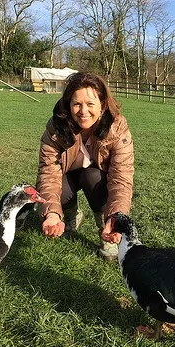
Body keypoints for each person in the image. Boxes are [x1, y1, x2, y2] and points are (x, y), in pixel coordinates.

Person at [36, 72, 134, 261]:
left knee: (92, 177)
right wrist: (52, 213)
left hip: (98, 178)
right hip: (68, 176)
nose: (83, 111)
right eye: (76, 104)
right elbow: (48, 171)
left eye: (90, 104)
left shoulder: (117, 127)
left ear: (102, 104)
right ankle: (70, 215)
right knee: (60, 187)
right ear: (68, 104)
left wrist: (116, 218)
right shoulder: (56, 127)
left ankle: (106, 228)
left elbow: (121, 177)